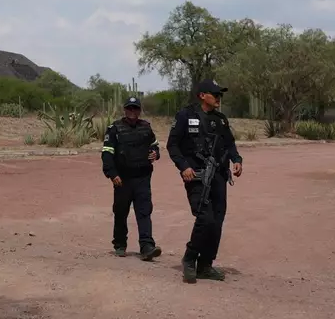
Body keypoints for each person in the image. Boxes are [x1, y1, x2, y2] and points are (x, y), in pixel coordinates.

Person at [166, 79, 243, 284]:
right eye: (214, 94)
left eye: (220, 94)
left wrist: (237, 160)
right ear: (202, 95)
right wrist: (184, 167)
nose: (218, 98)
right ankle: (190, 259)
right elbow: (172, 145)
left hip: (219, 175)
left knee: (217, 221)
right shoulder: (185, 115)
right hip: (196, 176)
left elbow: (230, 143)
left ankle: (206, 265)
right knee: (205, 218)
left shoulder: (221, 119)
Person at [101, 96, 163, 261]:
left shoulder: (146, 127)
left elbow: (155, 146)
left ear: (139, 110)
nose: (133, 111)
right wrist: (112, 174)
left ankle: (147, 246)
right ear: (125, 110)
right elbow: (107, 153)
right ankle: (120, 244)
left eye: (135, 108)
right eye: (130, 108)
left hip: (143, 177)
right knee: (121, 212)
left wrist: (155, 153)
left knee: (144, 212)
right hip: (122, 179)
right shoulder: (114, 129)